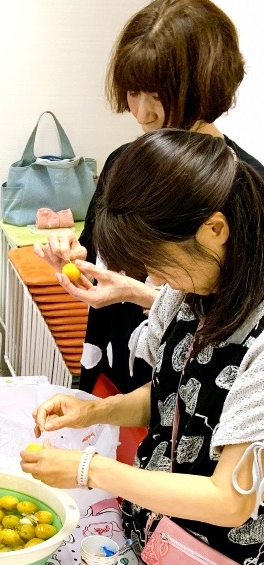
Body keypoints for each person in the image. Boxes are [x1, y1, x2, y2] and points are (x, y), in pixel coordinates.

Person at [21, 129, 264, 565]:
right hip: (158, 549)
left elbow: (230, 500)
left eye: (159, 260)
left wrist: (88, 470)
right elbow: (172, 397)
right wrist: (94, 413)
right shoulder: (193, 291)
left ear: (214, 229)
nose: (154, 278)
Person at [35, 0, 264, 394]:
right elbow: (96, 254)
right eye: (132, 92)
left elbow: (235, 322)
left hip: (183, 389)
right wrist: (73, 253)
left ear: (206, 86)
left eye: (158, 94)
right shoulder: (124, 162)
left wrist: (135, 292)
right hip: (109, 356)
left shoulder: (245, 189)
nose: (142, 113)